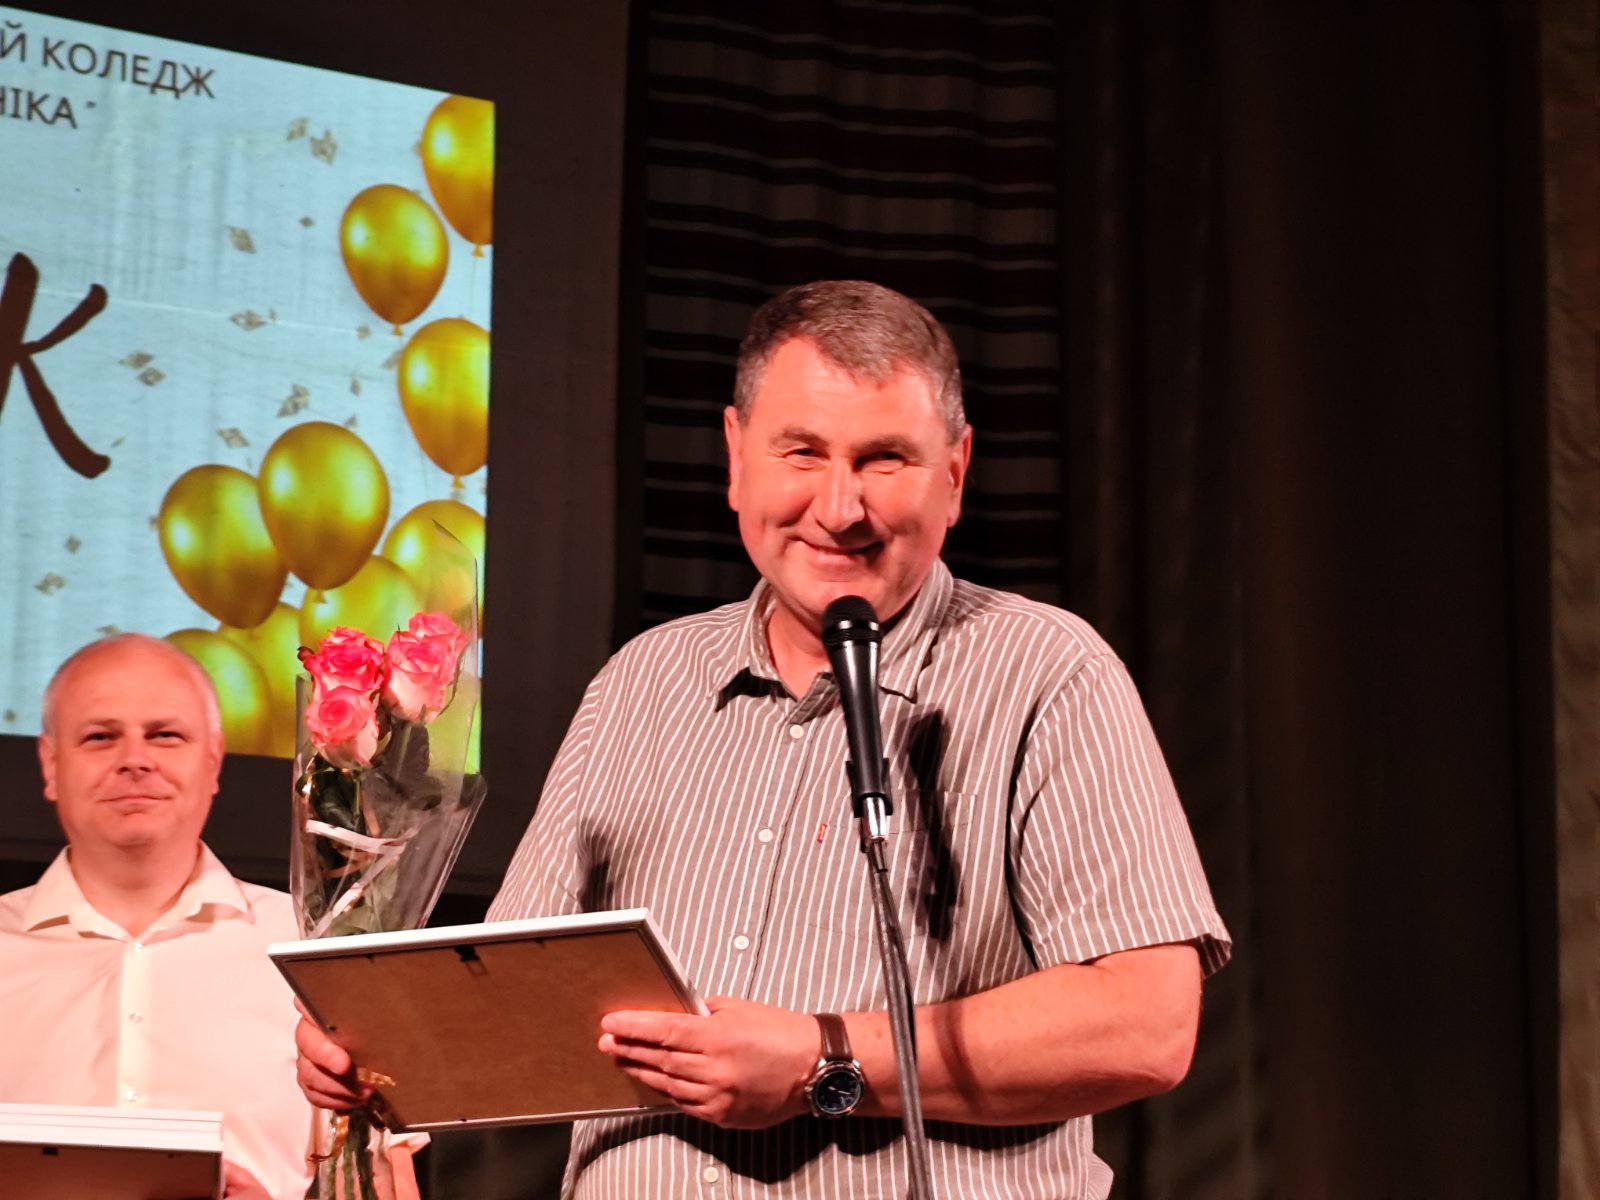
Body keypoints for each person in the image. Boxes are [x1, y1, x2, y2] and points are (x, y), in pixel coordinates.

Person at [299, 279, 1232, 1198]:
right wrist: (375, 1048)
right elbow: (509, 1003)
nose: (840, 507)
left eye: (885, 460)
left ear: (955, 472)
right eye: (802, 452)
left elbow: (1144, 1025)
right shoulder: (642, 682)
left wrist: (823, 1060)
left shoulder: (1047, 673)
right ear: (736, 457)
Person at [0, 634, 420, 1200]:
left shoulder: (314, 948)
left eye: (165, 735)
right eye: (100, 736)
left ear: (214, 759)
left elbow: (387, 1186)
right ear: (50, 764)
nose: (135, 760)